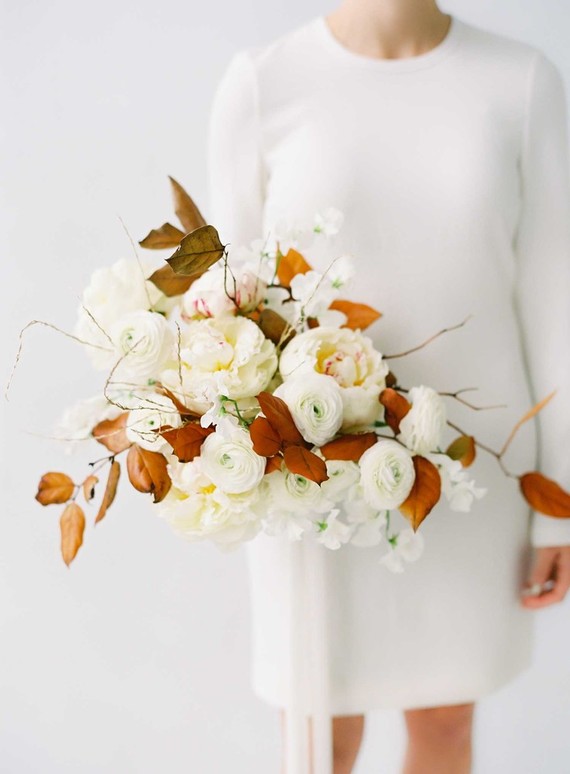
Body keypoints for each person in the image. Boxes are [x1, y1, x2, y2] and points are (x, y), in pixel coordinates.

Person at [206, 1, 570, 771]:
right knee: (318, 732)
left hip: (474, 469)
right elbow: (226, 308)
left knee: (445, 718)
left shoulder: (521, 82)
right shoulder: (264, 83)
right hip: (311, 471)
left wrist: (558, 505)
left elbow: (555, 303)